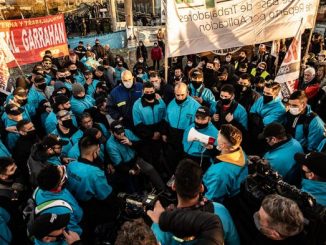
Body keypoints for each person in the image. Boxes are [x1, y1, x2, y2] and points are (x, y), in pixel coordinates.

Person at [150, 159, 240, 245]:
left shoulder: (159, 225)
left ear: (173, 186)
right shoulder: (220, 211)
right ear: (201, 188)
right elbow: (234, 242)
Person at [66, 136, 119, 233]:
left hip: (77, 204)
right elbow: (107, 196)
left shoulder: (70, 165)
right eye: (99, 150)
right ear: (95, 151)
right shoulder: (95, 172)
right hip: (93, 208)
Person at [106, 121, 166, 192]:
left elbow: (141, 144)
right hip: (125, 166)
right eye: (118, 133)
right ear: (112, 133)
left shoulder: (127, 132)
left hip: (136, 159)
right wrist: (130, 171)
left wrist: (131, 143)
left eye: (122, 131)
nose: (122, 134)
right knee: (134, 186)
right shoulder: (110, 145)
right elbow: (119, 164)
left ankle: (164, 191)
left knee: (150, 169)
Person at [162, 83, 200, 174]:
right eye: (177, 95)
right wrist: (164, 133)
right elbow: (166, 120)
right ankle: (173, 176)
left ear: (187, 92)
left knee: (185, 162)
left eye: (182, 95)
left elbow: (198, 125)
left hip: (186, 138)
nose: (179, 97)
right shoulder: (171, 104)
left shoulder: (196, 106)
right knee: (172, 159)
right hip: (172, 137)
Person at [203, 124, 248, 202]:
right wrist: (213, 150)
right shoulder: (240, 151)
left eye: (218, 135)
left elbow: (210, 199)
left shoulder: (219, 174)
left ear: (223, 145)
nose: (217, 134)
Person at [34, 165, 83, 235]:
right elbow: (74, 231)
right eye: (62, 172)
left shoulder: (39, 189)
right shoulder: (62, 212)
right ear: (59, 185)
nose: (62, 166)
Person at [132, 82, 166, 165]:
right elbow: (138, 124)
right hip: (146, 137)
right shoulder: (137, 105)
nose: (149, 94)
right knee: (149, 158)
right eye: (147, 92)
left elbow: (165, 118)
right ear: (143, 91)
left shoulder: (160, 102)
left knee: (160, 156)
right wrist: (151, 135)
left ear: (154, 90)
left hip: (159, 134)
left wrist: (160, 132)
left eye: (151, 92)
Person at [0, 157, 29, 244]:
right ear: (3, 176)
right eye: (12, 169)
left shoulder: (15, 177)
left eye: (15, 165)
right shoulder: (3, 199)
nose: (16, 168)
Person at [182, 106, 218, 172]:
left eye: (203, 119)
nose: (199, 121)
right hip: (186, 156)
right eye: (197, 118)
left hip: (201, 161)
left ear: (209, 119)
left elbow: (217, 153)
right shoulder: (191, 127)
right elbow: (184, 141)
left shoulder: (214, 133)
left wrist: (211, 149)